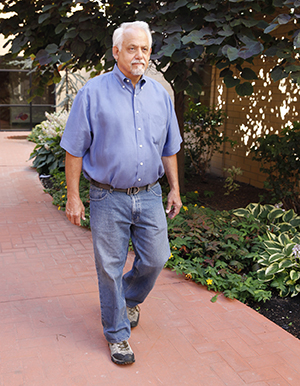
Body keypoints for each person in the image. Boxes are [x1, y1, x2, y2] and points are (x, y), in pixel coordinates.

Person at [60, 21, 182, 365]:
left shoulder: (160, 95)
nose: (139, 54)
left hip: (149, 194)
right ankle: (117, 336)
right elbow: (74, 149)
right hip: (106, 196)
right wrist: (73, 196)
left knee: (157, 258)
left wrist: (174, 188)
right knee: (109, 267)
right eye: (132, 48)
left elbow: (168, 148)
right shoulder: (93, 92)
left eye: (145, 48)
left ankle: (126, 298)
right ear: (117, 52)